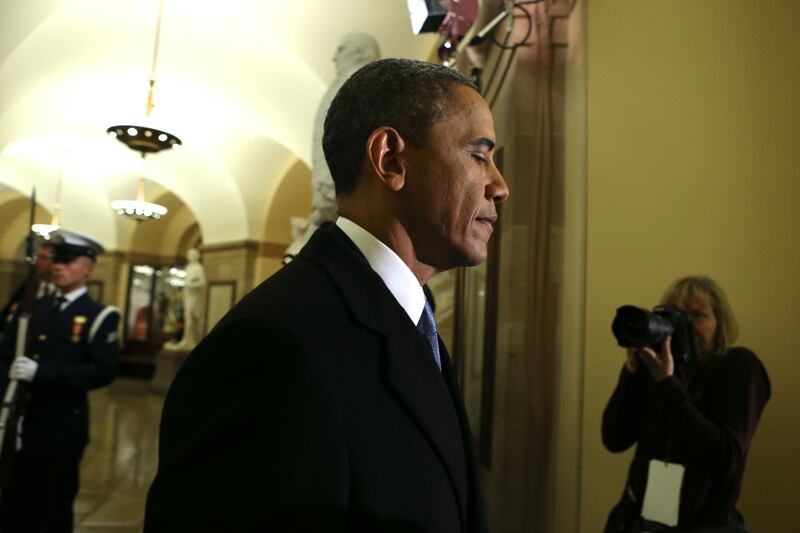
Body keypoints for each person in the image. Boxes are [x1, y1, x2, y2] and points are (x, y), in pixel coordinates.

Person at [144, 58, 508, 532]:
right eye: (479, 156)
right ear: (391, 160)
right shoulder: (273, 348)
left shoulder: (413, 317)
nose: (499, 186)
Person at [602, 276, 770, 532]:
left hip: (707, 525)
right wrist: (632, 372)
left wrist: (667, 385)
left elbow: (724, 457)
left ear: (720, 323)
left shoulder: (739, 366)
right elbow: (614, 438)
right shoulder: (657, 370)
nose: (685, 326)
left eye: (698, 316)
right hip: (642, 521)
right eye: (675, 316)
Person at [0, 229, 119, 532]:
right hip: (20, 421)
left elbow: (101, 371)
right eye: (55, 258)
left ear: (87, 268)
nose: (58, 266)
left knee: (53, 509)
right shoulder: (34, 309)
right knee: (14, 506)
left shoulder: (100, 316)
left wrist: (44, 373)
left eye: (68, 260)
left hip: (60, 427)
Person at [284, 33, 381, 262]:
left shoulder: (365, 84)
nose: (334, 57)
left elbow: (356, 136)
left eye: (341, 49)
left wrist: (333, 179)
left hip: (340, 186)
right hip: (330, 187)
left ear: (361, 53)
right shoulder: (347, 83)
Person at [0, 241, 55, 333]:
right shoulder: (29, 285)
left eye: (43, 258)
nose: (37, 261)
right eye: (37, 257)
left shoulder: (60, 292)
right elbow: (6, 314)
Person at [164, 248, 206, 351]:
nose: (189, 256)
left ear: (195, 256)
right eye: (188, 254)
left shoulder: (198, 268)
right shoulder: (189, 267)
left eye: (191, 254)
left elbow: (202, 282)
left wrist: (191, 284)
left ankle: (191, 340)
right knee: (187, 317)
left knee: (192, 317)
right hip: (187, 295)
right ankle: (186, 339)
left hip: (194, 296)